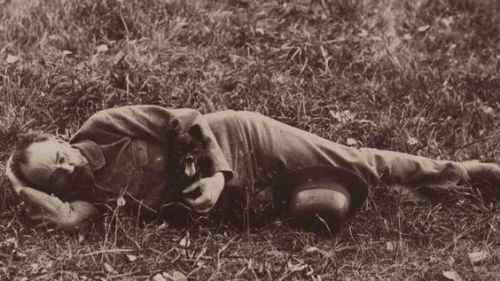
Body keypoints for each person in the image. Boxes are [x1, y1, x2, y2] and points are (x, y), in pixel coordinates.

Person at [5, 105, 500, 231]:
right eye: (58, 176)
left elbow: (185, 121)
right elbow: (65, 217)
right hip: (243, 205)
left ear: (58, 137)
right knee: (321, 211)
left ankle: (470, 173)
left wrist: (218, 175)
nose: (68, 166)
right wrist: (13, 178)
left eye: (59, 154)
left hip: (241, 140)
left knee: (359, 163)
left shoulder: (102, 125)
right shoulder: (92, 200)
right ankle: (413, 192)